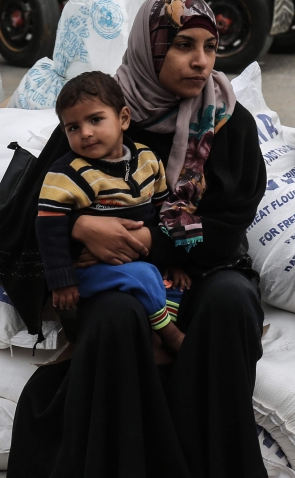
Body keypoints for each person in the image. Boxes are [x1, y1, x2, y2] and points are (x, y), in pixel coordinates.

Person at [0, 0, 274, 478]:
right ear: (150, 51)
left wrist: (149, 239)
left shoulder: (228, 123)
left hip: (202, 268)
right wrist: (80, 226)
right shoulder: (99, 113)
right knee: (117, 316)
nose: (201, 61)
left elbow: (227, 225)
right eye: (183, 47)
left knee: (231, 302)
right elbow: (36, 205)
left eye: (210, 47)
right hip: (113, 280)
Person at [37, 70, 189, 357]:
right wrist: (62, 279)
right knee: (144, 277)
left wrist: (172, 260)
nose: (85, 133)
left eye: (95, 119)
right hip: (92, 271)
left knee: (175, 286)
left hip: (140, 259)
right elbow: (49, 227)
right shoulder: (66, 173)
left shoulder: (148, 160)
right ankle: (169, 335)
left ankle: (153, 333)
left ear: (123, 118)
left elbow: (164, 212)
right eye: (72, 127)